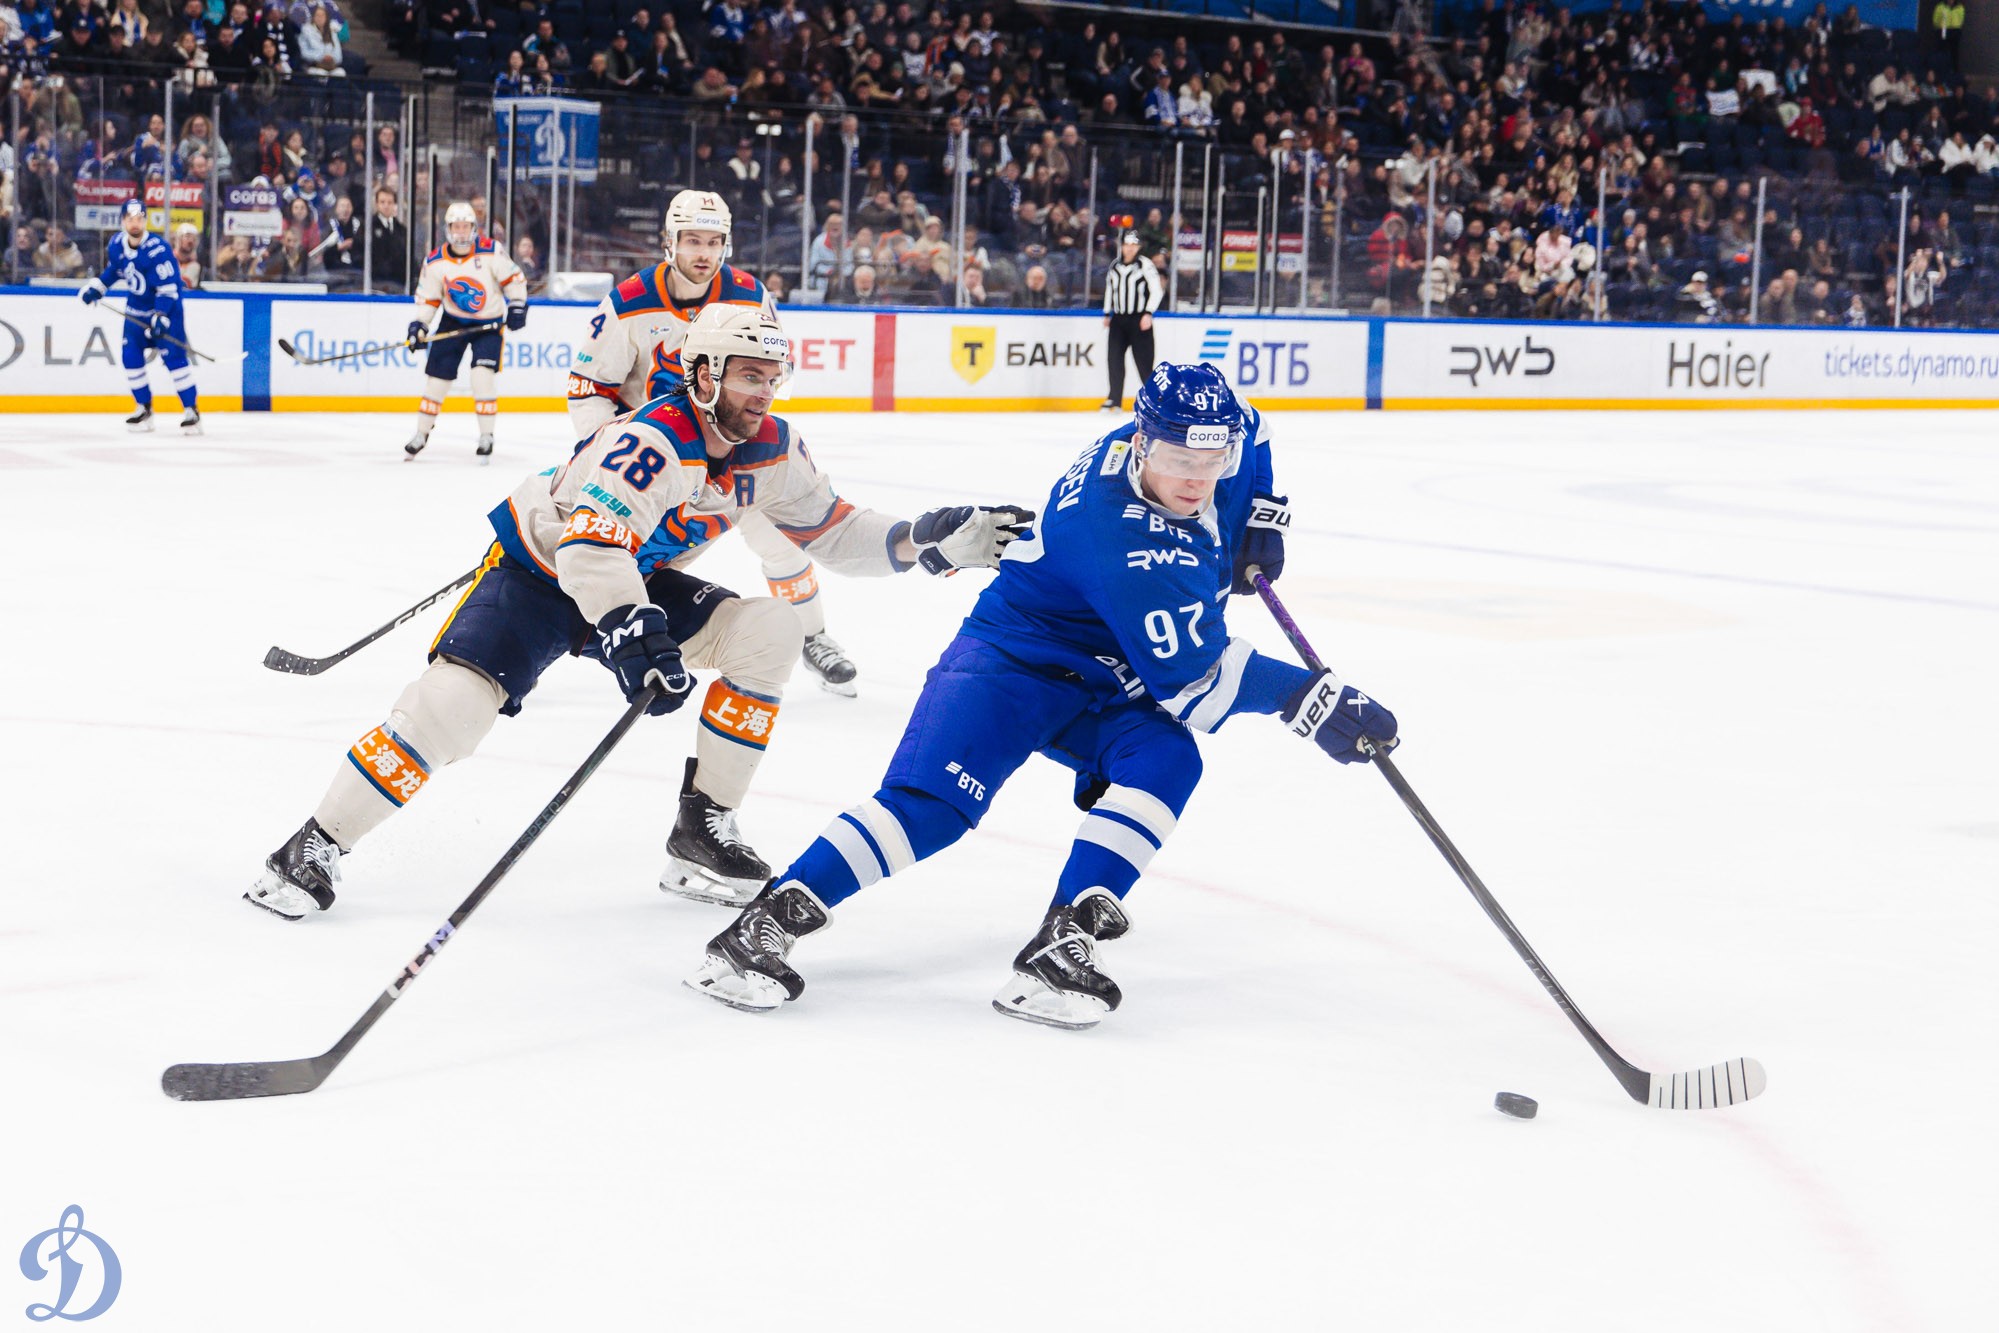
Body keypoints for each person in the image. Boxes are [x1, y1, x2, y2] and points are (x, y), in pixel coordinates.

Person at [246, 305, 1031, 920]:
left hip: (633, 577)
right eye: (748, 375)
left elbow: (835, 531)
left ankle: (702, 829)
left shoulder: (773, 449)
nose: (763, 391)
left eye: (772, 376)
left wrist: (927, 541)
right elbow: (589, 549)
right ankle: (314, 844)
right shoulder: (655, 439)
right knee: (451, 711)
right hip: (540, 571)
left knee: (769, 630)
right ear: (703, 373)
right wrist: (632, 633)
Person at [685, 363, 1397, 1027]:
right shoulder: (1119, 536)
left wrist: (1263, 512)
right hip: (1012, 662)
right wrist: (1312, 699)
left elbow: (1249, 421)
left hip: (1111, 675)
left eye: (1213, 462)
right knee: (932, 807)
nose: (1196, 479)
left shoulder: (1195, 436)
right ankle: (764, 922)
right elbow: (1195, 679)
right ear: (1141, 442)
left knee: (1167, 760)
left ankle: (1064, 936)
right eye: (1179, 460)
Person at [569, 190, 864, 700]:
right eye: (692, 240)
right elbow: (589, 386)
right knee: (605, 554)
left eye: (713, 241)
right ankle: (564, 632)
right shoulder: (629, 301)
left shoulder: (750, 295)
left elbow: (773, 367)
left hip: (731, 453)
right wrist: (605, 450)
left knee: (779, 539)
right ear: (669, 241)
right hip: (658, 463)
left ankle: (813, 635)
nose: (703, 253)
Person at [403, 201, 528, 462]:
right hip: (453, 322)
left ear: (474, 227)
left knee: (482, 377)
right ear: (448, 229)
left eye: (465, 226)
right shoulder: (435, 261)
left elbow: (514, 280)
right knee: (437, 380)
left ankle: (486, 436)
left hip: (488, 324)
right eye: (456, 226)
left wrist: (517, 305)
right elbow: (429, 298)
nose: (460, 232)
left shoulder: (491, 251)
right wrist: (420, 325)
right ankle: (421, 433)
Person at [77, 199, 202, 434]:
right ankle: (144, 408)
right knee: (130, 358)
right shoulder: (116, 244)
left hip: (167, 312)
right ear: (123, 221)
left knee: (175, 361)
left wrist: (161, 315)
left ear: (145, 220)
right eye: (130, 219)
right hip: (135, 313)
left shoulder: (158, 249)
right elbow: (115, 270)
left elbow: (168, 288)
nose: (135, 223)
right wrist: (98, 287)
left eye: (139, 219)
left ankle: (191, 412)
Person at [1100, 229, 1162, 410]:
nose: (1129, 248)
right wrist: (1107, 313)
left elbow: (1157, 290)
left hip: (1139, 319)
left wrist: (1148, 313)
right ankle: (1114, 398)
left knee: (1144, 362)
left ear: (1139, 247)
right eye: (1126, 244)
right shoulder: (1115, 266)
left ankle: (1154, 400)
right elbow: (1110, 290)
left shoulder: (1145, 265)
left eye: (1133, 245)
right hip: (1118, 319)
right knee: (1114, 359)